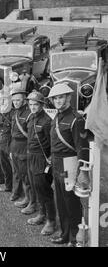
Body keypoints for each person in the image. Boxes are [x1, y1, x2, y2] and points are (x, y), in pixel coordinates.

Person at [47, 83, 89, 247]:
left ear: (69, 97)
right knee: (61, 202)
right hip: (57, 163)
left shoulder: (76, 119)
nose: (58, 100)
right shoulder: (57, 116)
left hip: (69, 164)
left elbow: (82, 148)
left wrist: (81, 171)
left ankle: (74, 237)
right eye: (55, 98)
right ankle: (64, 234)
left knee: (71, 203)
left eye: (61, 97)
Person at [25, 90, 56, 235]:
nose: (32, 107)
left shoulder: (47, 121)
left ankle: (51, 221)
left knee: (45, 190)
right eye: (30, 104)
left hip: (42, 159)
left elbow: (52, 144)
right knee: (36, 187)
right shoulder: (31, 118)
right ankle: (41, 214)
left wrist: (49, 161)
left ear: (42, 105)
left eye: (35, 105)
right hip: (31, 156)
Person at [10, 88, 32, 210]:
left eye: (18, 100)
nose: (16, 103)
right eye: (14, 100)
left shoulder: (28, 114)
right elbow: (12, 132)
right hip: (15, 146)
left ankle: (30, 201)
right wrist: (11, 149)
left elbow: (30, 136)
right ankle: (26, 197)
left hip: (24, 147)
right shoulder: (16, 113)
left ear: (24, 100)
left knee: (26, 176)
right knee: (19, 173)